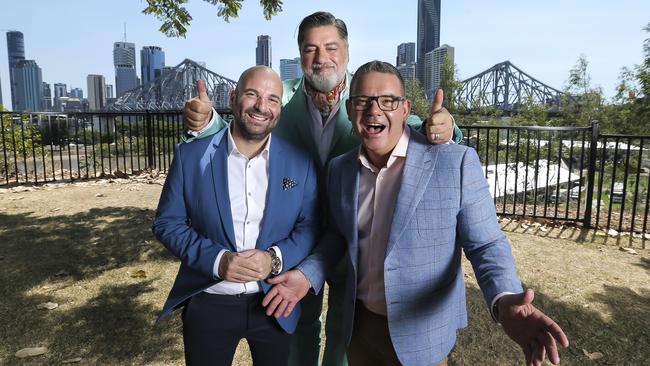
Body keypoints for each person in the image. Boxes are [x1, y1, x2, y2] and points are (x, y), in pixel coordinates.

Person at [181, 12, 462, 366]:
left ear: (346, 50)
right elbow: (244, 129)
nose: (321, 57)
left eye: (331, 47)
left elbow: (411, 124)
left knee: (344, 333)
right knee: (298, 325)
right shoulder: (280, 102)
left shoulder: (366, 97)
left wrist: (448, 128)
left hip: (356, 241)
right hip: (294, 241)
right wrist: (207, 123)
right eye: (310, 49)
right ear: (300, 55)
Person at [262, 61, 569, 366]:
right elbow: (336, 236)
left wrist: (504, 300)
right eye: (363, 102)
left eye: (387, 101)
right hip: (359, 331)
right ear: (349, 110)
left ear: (406, 109)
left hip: (423, 336)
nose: (374, 111)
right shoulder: (340, 169)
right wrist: (307, 275)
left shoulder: (454, 162)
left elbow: (486, 244)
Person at [152, 66, 319, 366]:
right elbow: (167, 223)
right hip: (209, 300)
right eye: (252, 94)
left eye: (272, 99)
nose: (261, 106)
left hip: (275, 301)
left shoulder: (300, 162)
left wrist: (274, 258)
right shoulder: (191, 156)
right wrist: (218, 261)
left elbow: (309, 226)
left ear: (279, 109)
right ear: (233, 97)